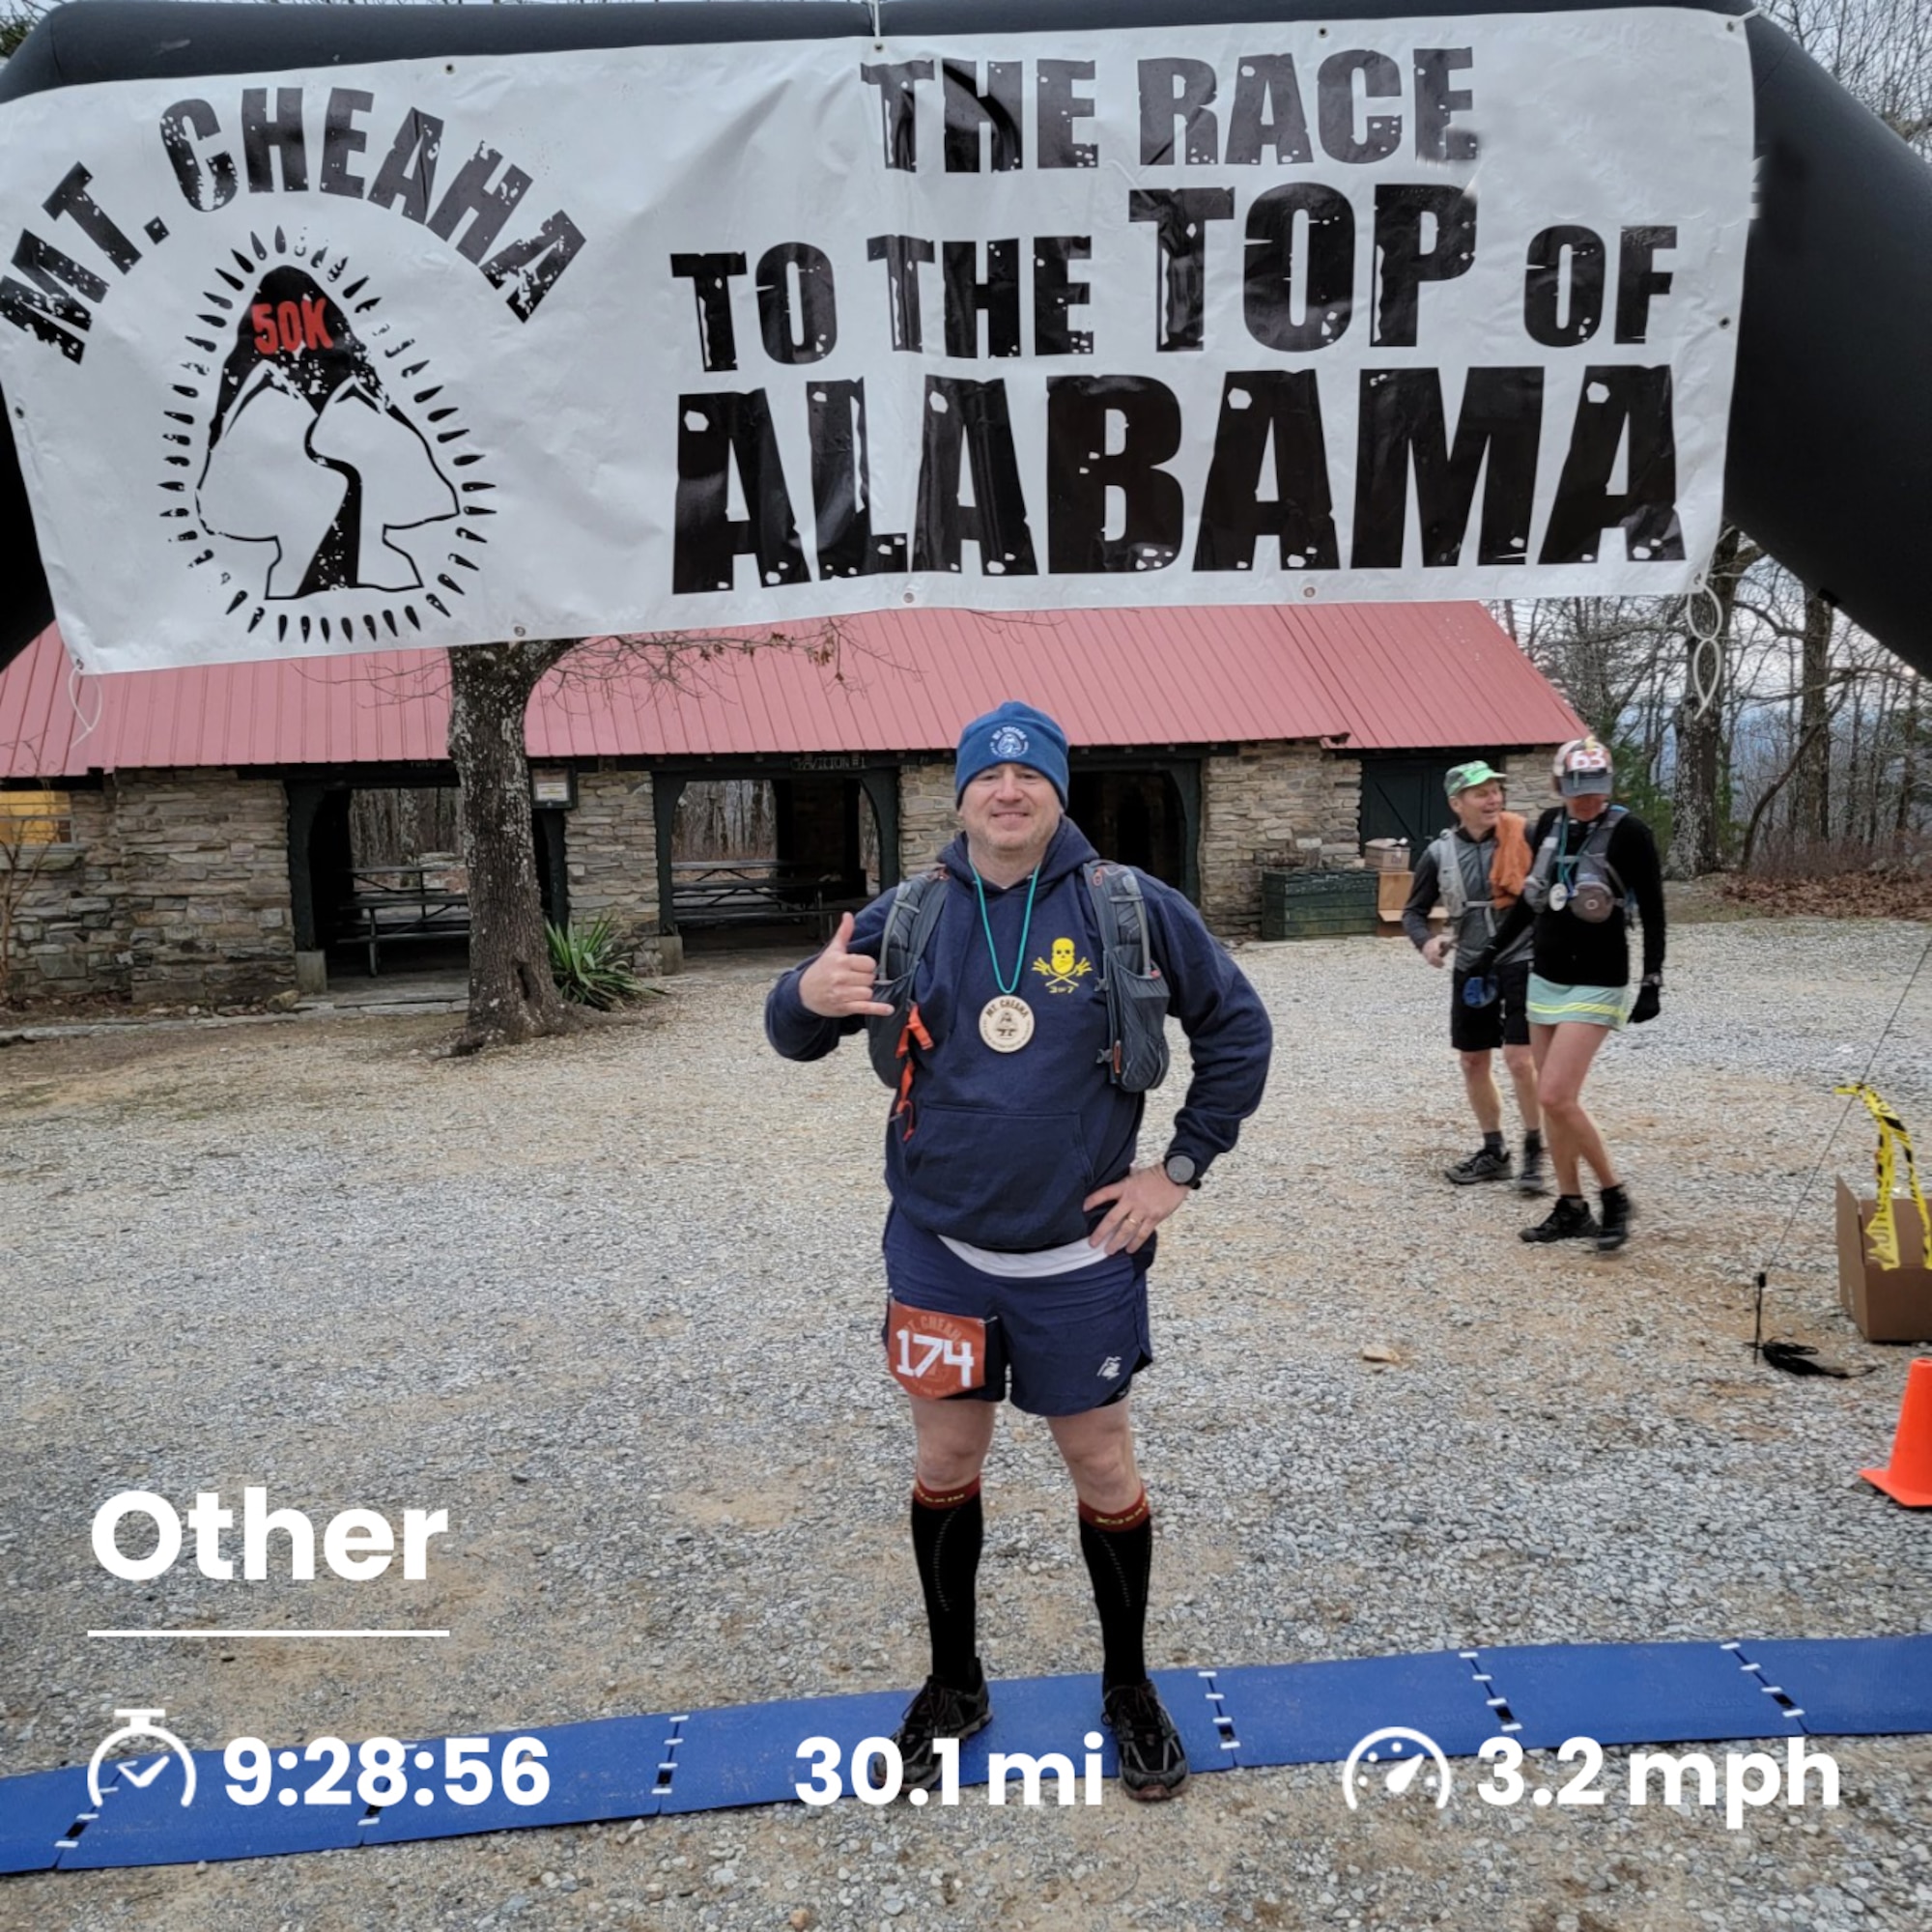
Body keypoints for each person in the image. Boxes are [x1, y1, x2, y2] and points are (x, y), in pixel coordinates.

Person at [764, 700, 1272, 1801]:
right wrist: (802, 994)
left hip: (1078, 1262)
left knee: (1099, 1462)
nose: (1007, 792)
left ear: (1057, 791)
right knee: (946, 1461)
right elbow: (793, 1028)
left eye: (1028, 776)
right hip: (940, 1253)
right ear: (958, 795)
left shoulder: (1130, 907)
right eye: (987, 778)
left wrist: (1176, 1169)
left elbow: (1235, 1026)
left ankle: (1128, 1683)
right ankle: (954, 1683)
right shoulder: (907, 913)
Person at [1463, 736, 1666, 1252]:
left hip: (1598, 981)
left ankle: (1614, 1194)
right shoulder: (1551, 826)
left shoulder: (1630, 832)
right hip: (1545, 975)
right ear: (1560, 786)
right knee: (1556, 1104)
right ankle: (1571, 1205)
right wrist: (1489, 955)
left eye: (1595, 789)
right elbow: (1532, 904)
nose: (1587, 800)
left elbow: (1656, 910)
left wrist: (1652, 980)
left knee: (1555, 1093)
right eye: (1577, 789)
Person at [1401, 760, 1546, 1194]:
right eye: (1481, 793)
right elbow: (1413, 911)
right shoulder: (1438, 853)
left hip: (1523, 959)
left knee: (1520, 1060)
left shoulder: (1525, 837)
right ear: (1456, 803)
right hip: (1470, 966)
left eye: (1496, 790)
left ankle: (1535, 1154)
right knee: (1473, 1060)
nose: (1493, 799)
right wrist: (1426, 942)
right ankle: (1494, 1150)